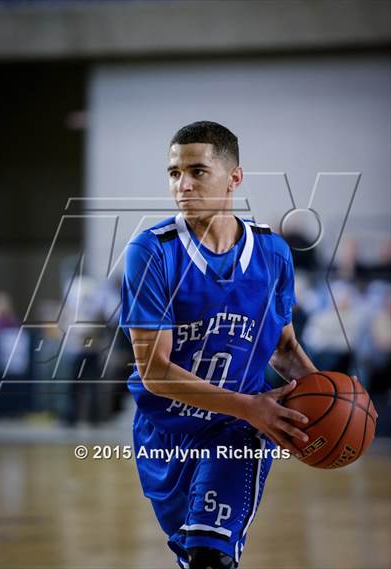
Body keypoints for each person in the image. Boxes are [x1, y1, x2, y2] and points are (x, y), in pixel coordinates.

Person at [120, 121, 318, 569]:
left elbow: (283, 348)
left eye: (197, 171)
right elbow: (155, 371)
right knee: (194, 556)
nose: (182, 185)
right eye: (174, 173)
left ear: (234, 178)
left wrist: (329, 398)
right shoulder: (151, 252)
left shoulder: (272, 253)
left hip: (237, 430)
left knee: (211, 555)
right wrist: (250, 406)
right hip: (164, 433)